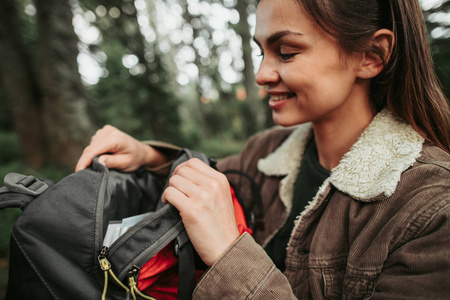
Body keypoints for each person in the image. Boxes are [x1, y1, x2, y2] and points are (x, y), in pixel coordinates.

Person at [76, 0, 450, 298]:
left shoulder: (433, 210)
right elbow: (215, 172)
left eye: (286, 52)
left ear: (371, 55)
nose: (262, 75)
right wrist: (148, 156)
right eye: (262, 53)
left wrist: (228, 256)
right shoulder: (265, 152)